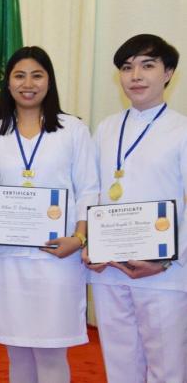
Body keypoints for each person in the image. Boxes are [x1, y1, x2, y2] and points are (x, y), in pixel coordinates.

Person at [0, 46, 98, 383]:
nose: (28, 83)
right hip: (6, 259)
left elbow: (89, 188)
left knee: (51, 353)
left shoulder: (72, 130)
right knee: (16, 353)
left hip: (57, 258)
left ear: (49, 80)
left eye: (37, 75)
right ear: (8, 83)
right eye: (19, 75)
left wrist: (80, 238)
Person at [85, 34, 187, 382]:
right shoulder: (106, 127)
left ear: (168, 72)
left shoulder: (181, 129)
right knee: (120, 361)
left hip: (162, 271)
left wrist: (167, 258)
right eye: (127, 68)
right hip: (110, 266)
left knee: (167, 365)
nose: (136, 76)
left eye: (148, 65)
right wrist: (89, 245)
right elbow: (94, 192)